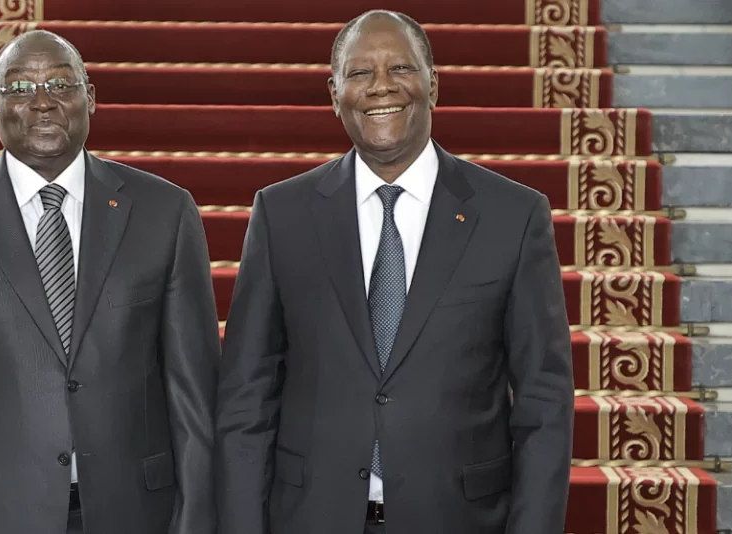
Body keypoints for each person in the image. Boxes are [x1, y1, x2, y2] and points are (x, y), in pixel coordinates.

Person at [214, 10, 574, 534]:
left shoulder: (513, 216)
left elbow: (544, 401)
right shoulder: (282, 214)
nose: (381, 86)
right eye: (360, 73)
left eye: (400, 68)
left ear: (433, 84)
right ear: (334, 93)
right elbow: (247, 396)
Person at [0, 30, 221, 534]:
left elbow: (195, 397)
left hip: (133, 512)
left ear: (89, 98)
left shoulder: (164, 212)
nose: (42, 102)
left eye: (60, 83)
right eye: (19, 88)